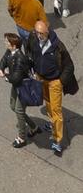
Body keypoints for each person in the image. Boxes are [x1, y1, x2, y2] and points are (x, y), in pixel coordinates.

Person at [27, 18, 69, 155]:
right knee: (49, 104)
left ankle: (57, 140)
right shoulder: (33, 39)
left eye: (42, 33)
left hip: (54, 82)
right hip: (41, 78)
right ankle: (52, 124)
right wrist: (32, 69)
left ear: (48, 31)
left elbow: (69, 66)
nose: (39, 35)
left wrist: (60, 81)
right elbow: (29, 51)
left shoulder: (58, 46)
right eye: (37, 32)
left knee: (56, 111)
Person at [0, 31, 41, 147]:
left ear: (14, 45)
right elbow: (4, 59)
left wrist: (5, 75)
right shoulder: (10, 51)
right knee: (13, 106)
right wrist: (1, 68)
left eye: (7, 41)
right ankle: (34, 127)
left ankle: (22, 138)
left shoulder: (20, 59)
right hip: (16, 86)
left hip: (23, 88)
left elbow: (16, 78)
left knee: (19, 110)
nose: (5, 42)